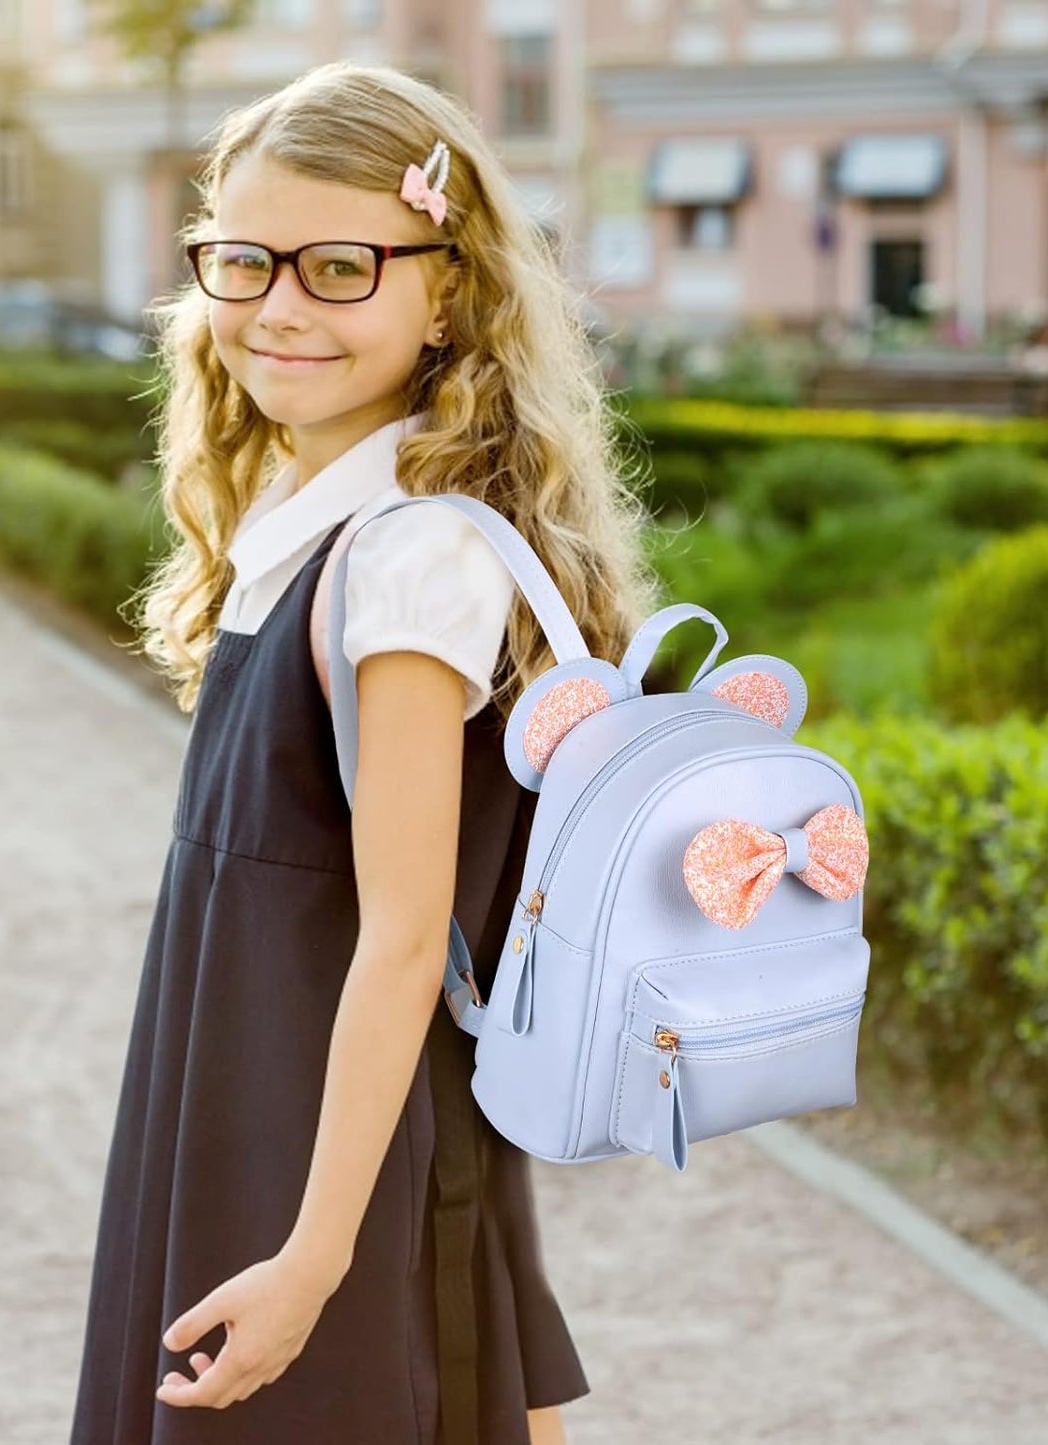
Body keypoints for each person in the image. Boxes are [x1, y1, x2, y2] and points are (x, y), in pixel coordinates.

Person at [71, 60, 660, 1445]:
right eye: (241, 261)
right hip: (257, 1085)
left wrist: (311, 1260)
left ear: (447, 287)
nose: (275, 307)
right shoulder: (317, 517)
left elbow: (402, 940)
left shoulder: (410, 558)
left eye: (340, 265)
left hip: (322, 1135)